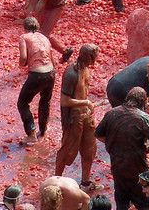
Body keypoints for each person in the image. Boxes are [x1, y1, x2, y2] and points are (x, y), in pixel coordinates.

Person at [95, 84, 149, 209]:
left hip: (118, 167)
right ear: (143, 102)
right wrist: (144, 150)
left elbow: (97, 134)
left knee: (122, 202)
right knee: (144, 204)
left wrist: (112, 143)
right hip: (138, 168)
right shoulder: (144, 118)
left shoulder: (111, 113)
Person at [54, 43, 99, 192]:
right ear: (87, 56)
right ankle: (56, 183)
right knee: (67, 150)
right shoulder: (71, 73)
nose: (96, 58)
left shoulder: (86, 69)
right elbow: (64, 101)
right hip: (74, 117)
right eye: (93, 55)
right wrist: (85, 102)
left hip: (86, 115)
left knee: (89, 148)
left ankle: (85, 183)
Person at [17, 15, 56, 142]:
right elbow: (52, 58)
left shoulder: (24, 37)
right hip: (50, 72)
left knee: (23, 103)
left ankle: (31, 133)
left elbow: (23, 58)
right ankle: (43, 129)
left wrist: (23, 64)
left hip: (37, 74)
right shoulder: (44, 37)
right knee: (45, 101)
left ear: (25, 28)